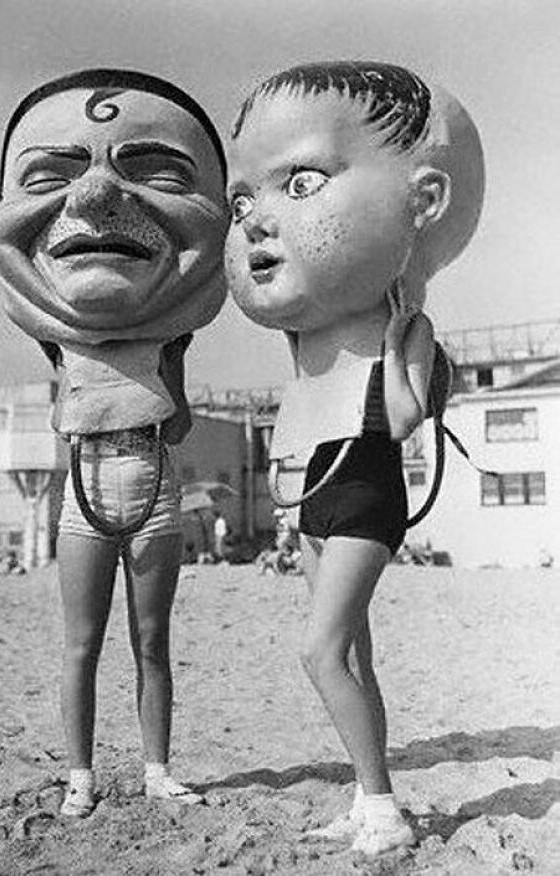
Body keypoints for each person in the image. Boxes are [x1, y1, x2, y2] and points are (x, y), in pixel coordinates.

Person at [224, 62, 484, 855]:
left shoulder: (403, 325)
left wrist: (412, 357)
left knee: (322, 649)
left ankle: (381, 807)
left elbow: (402, 421)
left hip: (364, 484)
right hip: (309, 490)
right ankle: (371, 797)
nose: (257, 220)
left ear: (423, 200)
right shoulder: (303, 333)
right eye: (243, 202)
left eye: (298, 184)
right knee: (354, 655)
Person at [0, 69, 228, 817]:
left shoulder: (171, 338)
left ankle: (157, 769)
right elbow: (33, 304)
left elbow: (179, 417)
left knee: (152, 641)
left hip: (153, 479)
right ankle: (81, 777)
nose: (94, 195)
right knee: (81, 644)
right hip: (84, 488)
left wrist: (157, 372)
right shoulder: (58, 344)